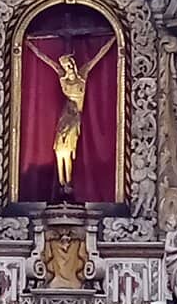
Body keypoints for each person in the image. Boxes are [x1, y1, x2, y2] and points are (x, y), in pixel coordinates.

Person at [28, 35, 116, 190]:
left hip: (76, 117)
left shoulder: (82, 75)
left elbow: (98, 56)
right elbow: (47, 60)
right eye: (67, 66)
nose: (69, 69)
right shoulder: (62, 78)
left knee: (68, 151)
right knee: (59, 150)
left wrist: (114, 39)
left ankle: (67, 182)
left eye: (70, 65)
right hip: (66, 114)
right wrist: (30, 45)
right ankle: (63, 183)